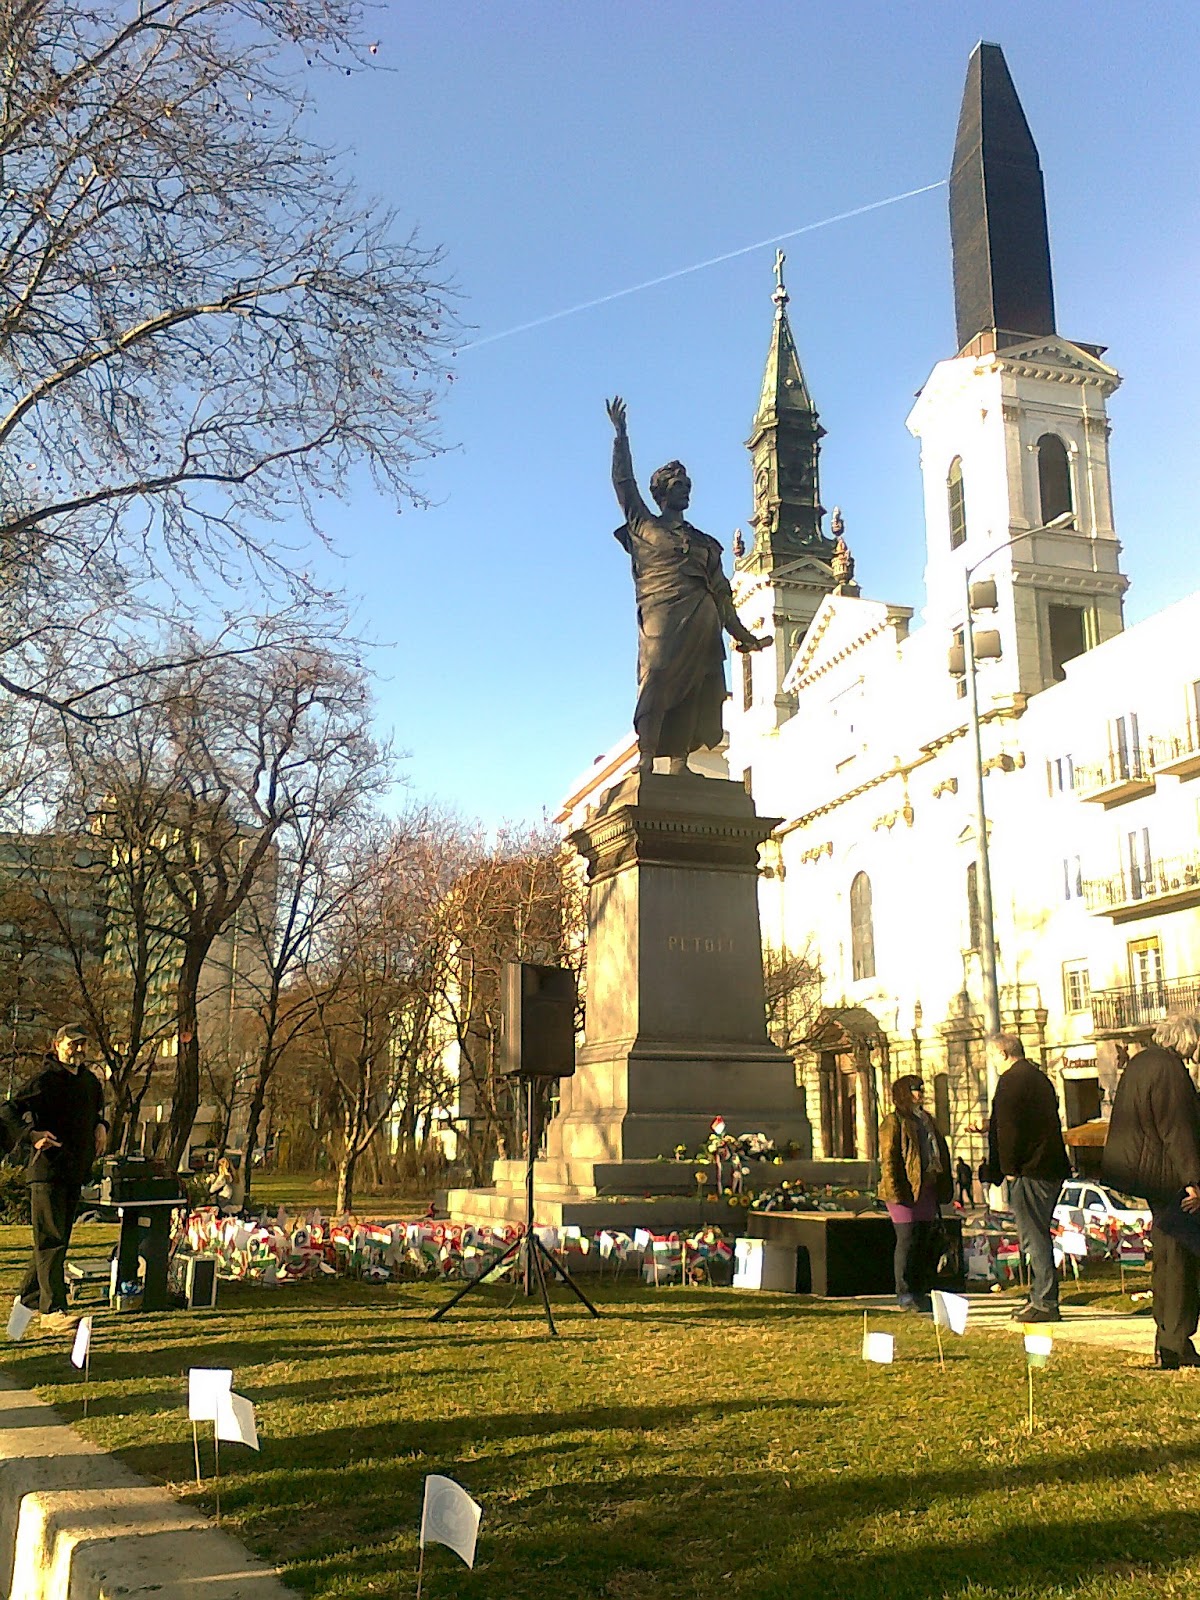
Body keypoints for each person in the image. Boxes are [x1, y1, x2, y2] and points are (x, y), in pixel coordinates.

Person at [606, 396, 771, 775]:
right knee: (656, 676)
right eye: (678, 485)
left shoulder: (705, 543)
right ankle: (647, 756)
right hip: (662, 617)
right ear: (661, 492)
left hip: (703, 621)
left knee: (696, 689)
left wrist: (744, 636)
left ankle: (680, 762)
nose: (686, 490)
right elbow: (623, 483)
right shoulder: (644, 526)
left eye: (688, 484)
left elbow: (723, 595)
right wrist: (621, 436)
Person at [1101, 1012, 1200, 1370]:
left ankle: (1169, 1340)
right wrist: (1193, 1180)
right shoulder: (1170, 1070)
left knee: (1168, 1257)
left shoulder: (1142, 1063)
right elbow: (1178, 1129)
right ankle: (1175, 1341)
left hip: (1146, 1173)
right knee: (1179, 1260)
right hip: (1168, 1176)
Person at [0, 1025, 107, 1336]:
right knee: (51, 1241)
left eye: (83, 1044)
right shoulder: (44, 1081)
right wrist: (31, 1134)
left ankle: (22, 1312)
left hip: (74, 1171)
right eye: (72, 1044)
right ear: (57, 1045)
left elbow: (96, 1112)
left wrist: (102, 1125)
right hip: (46, 1172)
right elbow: (8, 1111)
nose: (78, 1050)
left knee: (54, 1243)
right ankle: (51, 1311)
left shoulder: (89, 1082)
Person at [986, 1033, 1070, 1323]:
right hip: (1048, 1166)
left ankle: (1044, 1300)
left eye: (993, 1056)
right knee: (1037, 1233)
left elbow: (1009, 1130)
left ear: (1003, 1053)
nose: (993, 1063)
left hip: (1031, 1169)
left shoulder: (1011, 1081)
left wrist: (1006, 1168)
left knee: (1034, 1236)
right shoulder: (1038, 1078)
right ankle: (1039, 1295)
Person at [877, 1075, 953, 1312]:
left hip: (927, 1188)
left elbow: (940, 1152)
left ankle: (920, 1291)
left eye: (921, 1088)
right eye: (914, 1089)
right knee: (907, 1240)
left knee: (923, 1241)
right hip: (904, 1189)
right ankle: (905, 1293)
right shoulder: (894, 1121)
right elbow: (889, 1159)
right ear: (903, 1092)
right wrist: (896, 1191)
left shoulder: (927, 1119)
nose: (920, 1093)